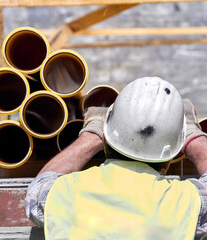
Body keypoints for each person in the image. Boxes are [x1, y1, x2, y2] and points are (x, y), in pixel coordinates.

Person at [25, 77, 207, 239]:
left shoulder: (68, 192)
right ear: (169, 160)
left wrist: (91, 134)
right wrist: (193, 138)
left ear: (106, 139)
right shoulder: (182, 202)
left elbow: (39, 189)